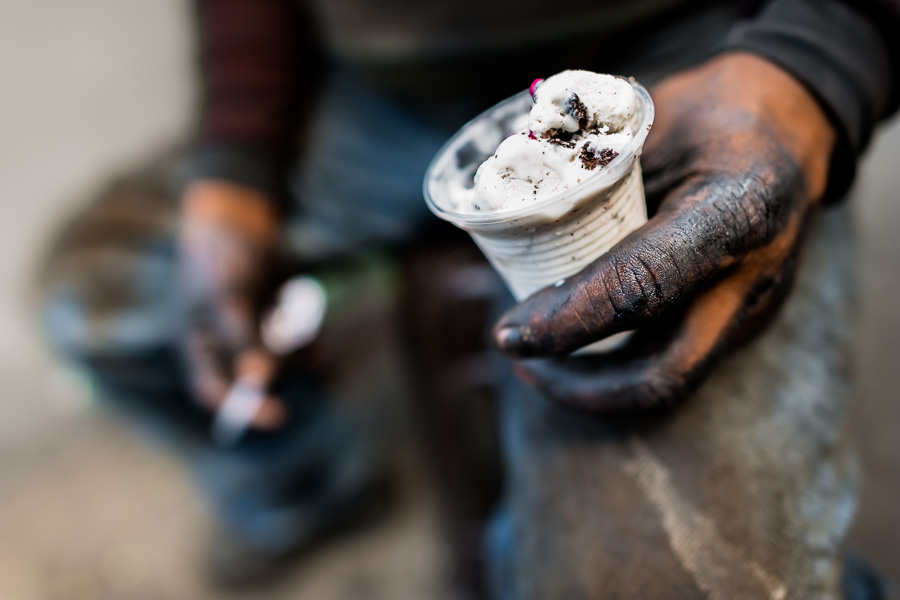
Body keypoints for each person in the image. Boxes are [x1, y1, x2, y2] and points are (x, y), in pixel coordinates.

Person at [38, 0, 900, 597]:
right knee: (97, 302)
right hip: (380, 104)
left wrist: (814, 62)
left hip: (697, 65)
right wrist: (234, 167)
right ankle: (305, 487)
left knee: (670, 574)